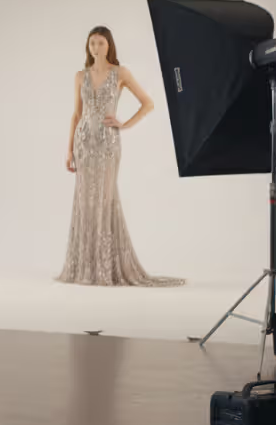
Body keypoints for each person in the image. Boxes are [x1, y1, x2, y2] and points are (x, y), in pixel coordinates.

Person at [57, 26, 183, 287]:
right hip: (84, 144)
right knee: (84, 201)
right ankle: (84, 266)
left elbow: (148, 103)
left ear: (109, 45)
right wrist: (69, 149)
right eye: (92, 43)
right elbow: (76, 115)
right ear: (87, 46)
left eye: (101, 43)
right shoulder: (80, 76)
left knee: (104, 199)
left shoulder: (120, 73)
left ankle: (105, 267)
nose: (96, 48)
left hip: (107, 145)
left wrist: (123, 125)